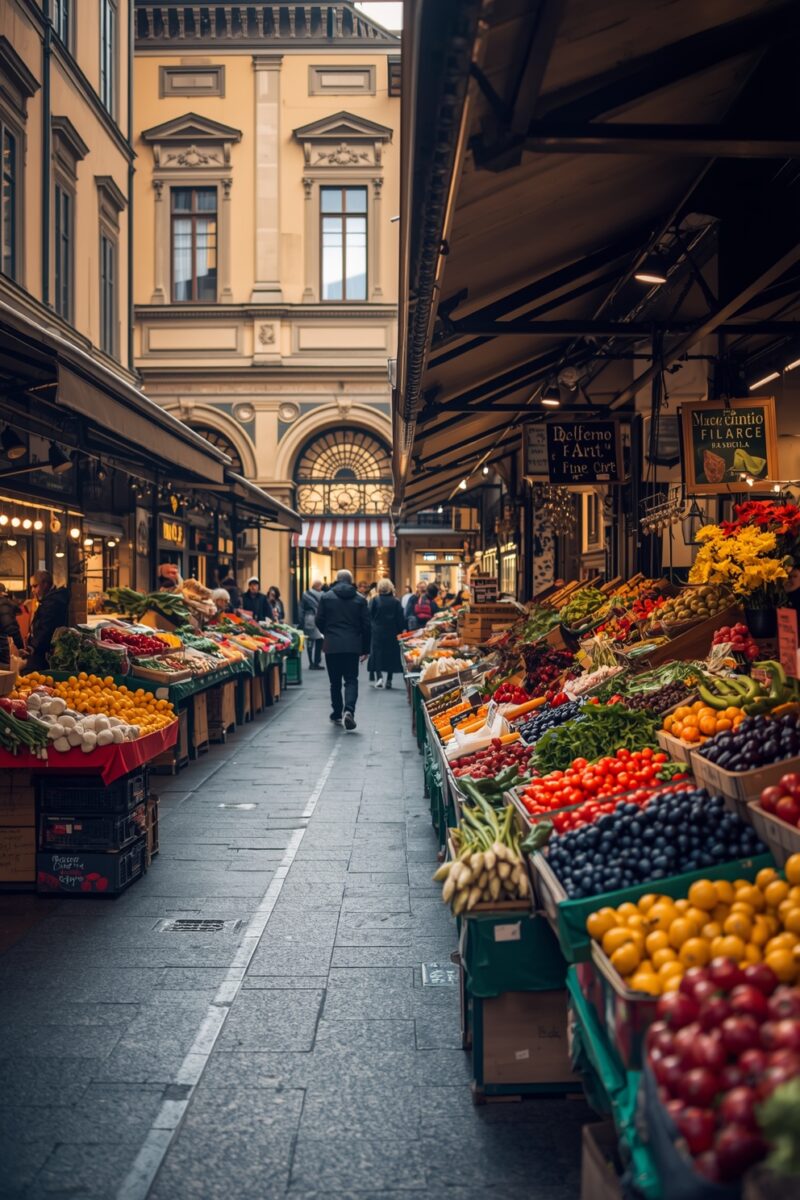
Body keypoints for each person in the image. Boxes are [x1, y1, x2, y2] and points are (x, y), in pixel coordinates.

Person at [315, 568, 370, 731]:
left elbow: (319, 620)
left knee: (335, 682)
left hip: (332, 645)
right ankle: (349, 710)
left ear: (337, 580)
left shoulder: (326, 597)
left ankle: (337, 712)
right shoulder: (360, 599)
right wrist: (365, 648)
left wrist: (328, 633)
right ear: (351, 580)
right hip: (352, 645)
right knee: (351, 680)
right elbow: (367, 626)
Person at [22, 570, 70, 674]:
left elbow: (45, 628)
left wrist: (32, 646)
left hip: (45, 653)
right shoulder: (51, 600)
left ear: (45, 584)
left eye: (35, 586)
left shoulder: (51, 603)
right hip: (47, 651)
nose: (33, 590)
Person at [368, 578, 405, 689]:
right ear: (390, 588)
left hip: (377, 631)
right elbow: (400, 618)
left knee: (377, 653)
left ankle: (379, 677)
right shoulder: (396, 601)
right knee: (391, 654)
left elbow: (369, 615)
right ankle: (389, 679)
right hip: (392, 631)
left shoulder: (374, 600)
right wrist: (402, 630)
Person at [300, 579, 324, 669]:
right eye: (320, 585)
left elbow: (301, 608)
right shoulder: (323, 595)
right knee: (319, 640)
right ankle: (316, 662)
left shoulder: (305, 594)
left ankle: (311, 662)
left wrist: (301, 621)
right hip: (318, 619)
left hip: (308, 618)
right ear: (318, 586)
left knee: (310, 641)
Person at [0, 583, 24, 668]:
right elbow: (11, 628)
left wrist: (20, 647)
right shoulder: (4, 605)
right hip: (4, 650)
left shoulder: (3, 605)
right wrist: (20, 646)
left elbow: (10, 627)